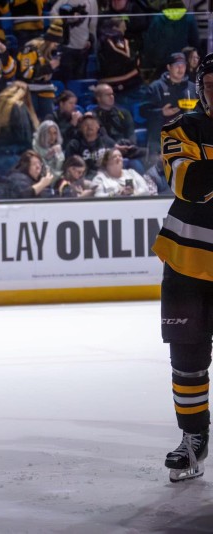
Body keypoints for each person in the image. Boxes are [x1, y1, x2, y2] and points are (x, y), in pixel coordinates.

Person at [152, 52, 213, 483]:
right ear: (199, 88)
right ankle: (194, 438)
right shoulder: (180, 128)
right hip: (188, 262)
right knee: (187, 358)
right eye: (211, 83)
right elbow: (189, 184)